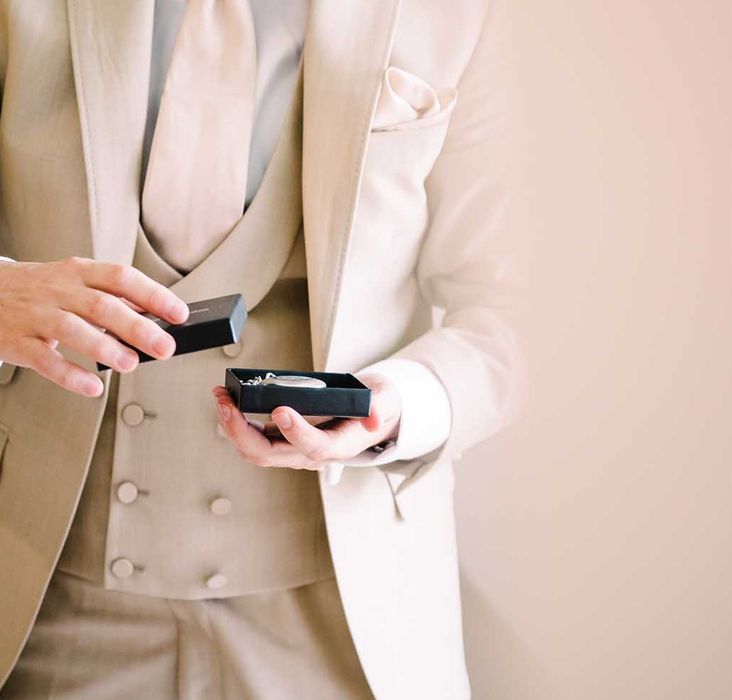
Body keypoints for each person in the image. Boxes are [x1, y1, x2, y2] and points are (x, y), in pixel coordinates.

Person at [0, 0, 524, 698]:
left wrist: (400, 406)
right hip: (49, 608)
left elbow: (514, 311)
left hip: (341, 627)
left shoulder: (464, 15)